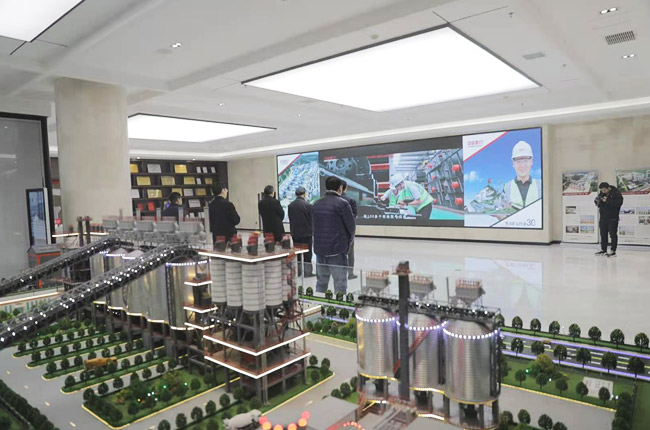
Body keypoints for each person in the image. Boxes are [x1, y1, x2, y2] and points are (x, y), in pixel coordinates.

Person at [312, 176, 356, 294]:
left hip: (320, 250)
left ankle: (319, 303)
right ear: (340, 188)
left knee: (321, 283)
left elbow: (313, 226)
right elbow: (351, 227)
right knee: (340, 284)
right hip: (337, 250)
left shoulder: (316, 203)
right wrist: (348, 244)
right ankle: (339, 305)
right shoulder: (343, 204)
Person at [503, 141, 542, 210]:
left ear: (531, 162)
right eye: (518, 161)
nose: (522, 165)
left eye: (525, 161)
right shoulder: (506, 187)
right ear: (513, 164)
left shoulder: (541, 185)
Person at [288, 187, 314, 277]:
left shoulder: (290, 206)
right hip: (307, 233)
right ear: (304, 194)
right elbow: (312, 219)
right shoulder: (308, 205)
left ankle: (298, 272)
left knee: (297, 253)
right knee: (307, 254)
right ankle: (308, 272)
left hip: (295, 233)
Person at [595, 182, 624, 257]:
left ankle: (613, 251)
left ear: (608, 188)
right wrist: (598, 201)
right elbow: (598, 203)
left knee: (613, 234)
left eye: (604, 190)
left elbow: (619, 203)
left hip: (612, 217)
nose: (603, 192)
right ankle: (603, 250)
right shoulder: (602, 193)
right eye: (602, 190)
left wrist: (607, 200)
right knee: (603, 234)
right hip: (603, 217)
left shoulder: (616, 193)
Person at [340, 180, 358, 280]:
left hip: (336, 231)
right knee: (350, 253)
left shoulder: (333, 200)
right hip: (348, 231)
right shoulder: (350, 200)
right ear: (345, 188)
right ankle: (350, 273)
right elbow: (354, 216)